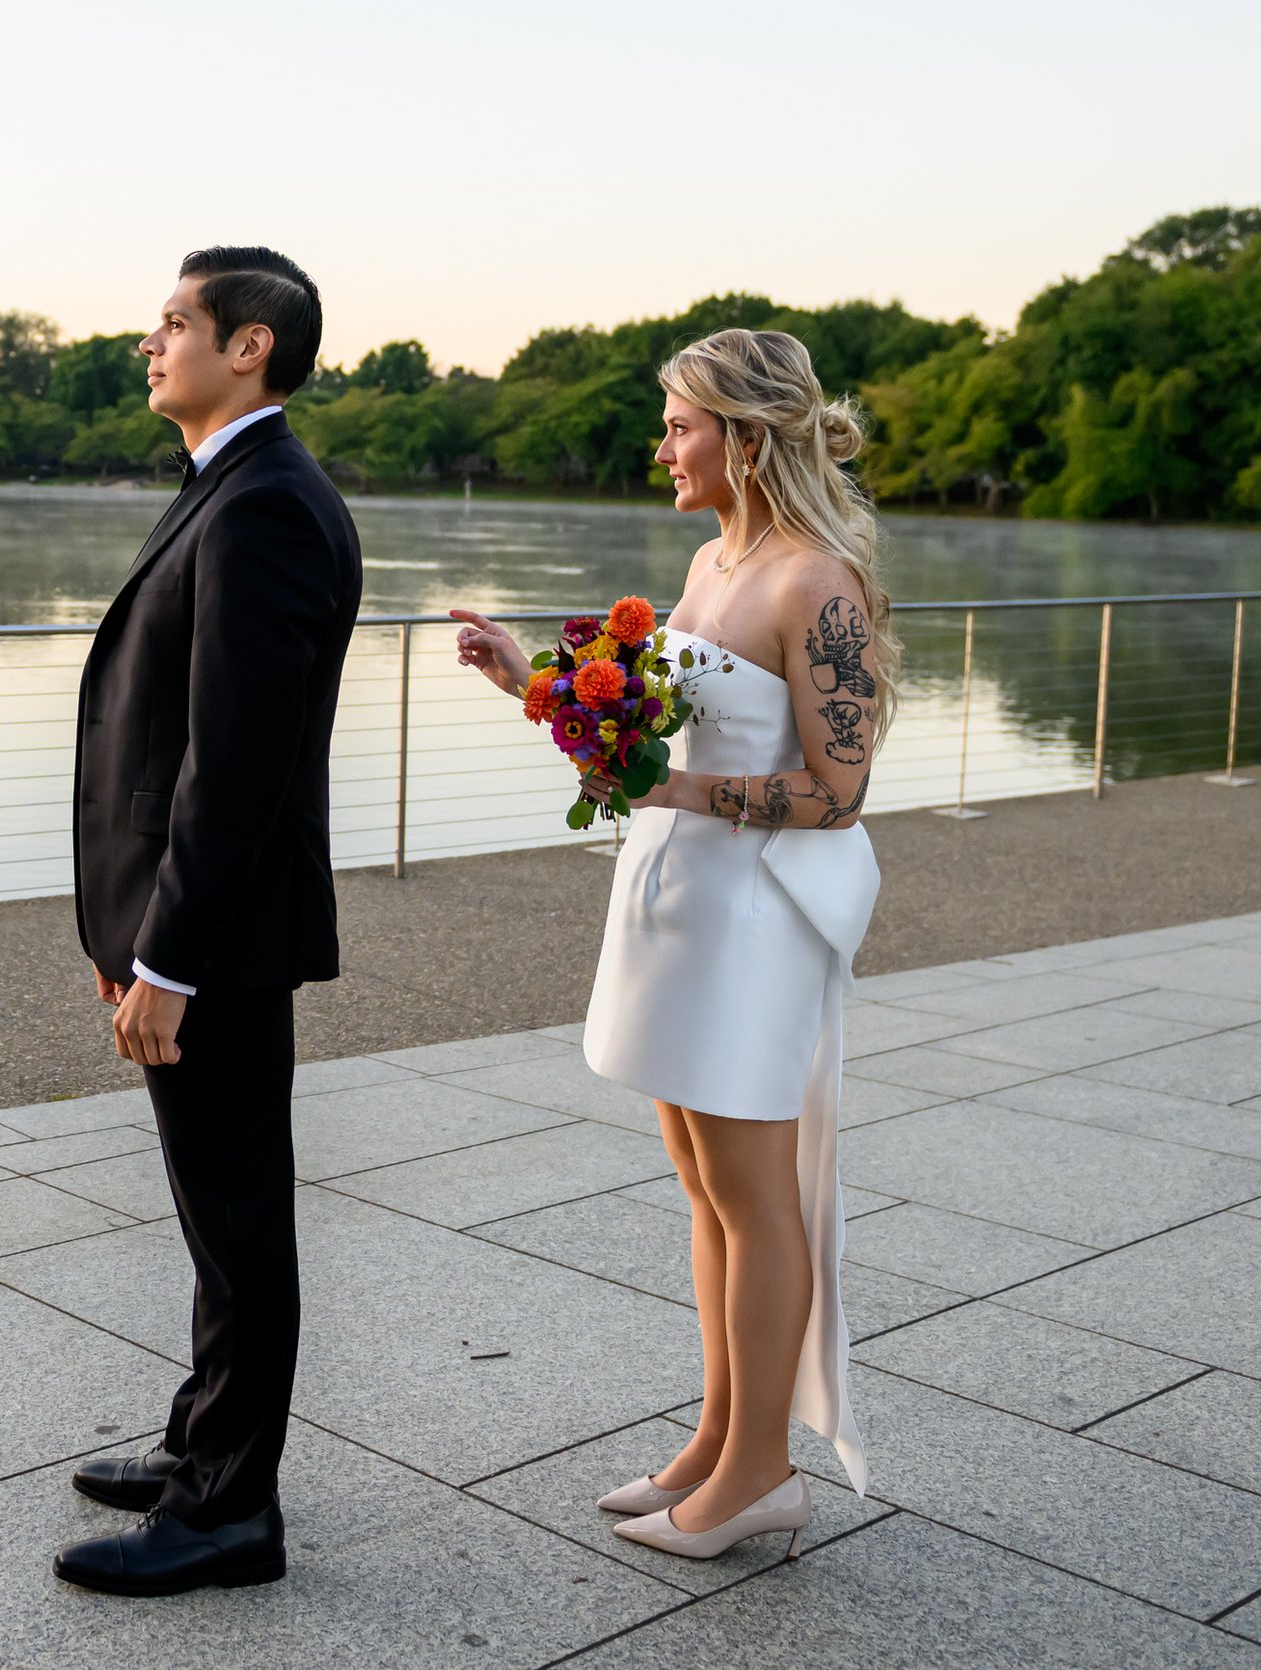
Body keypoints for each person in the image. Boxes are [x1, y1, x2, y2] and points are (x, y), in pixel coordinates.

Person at [450, 328, 897, 1559]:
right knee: (705, 1191)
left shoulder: (817, 583)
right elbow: (658, 732)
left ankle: (762, 1470)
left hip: (754, 920)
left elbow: (840, 790)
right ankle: (716, 1436)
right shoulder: (709, 561)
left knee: (755, 1199)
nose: (661, 449)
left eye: (680, 426)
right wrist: (525, 680)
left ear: (744, 439)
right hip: (677, 906)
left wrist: (686, 800)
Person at [58, 246, 362, 1597]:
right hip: (188, 922)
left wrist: (168, 959)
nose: (150, 342)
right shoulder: (229, 486)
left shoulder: (267, 507)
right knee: (213, 1211)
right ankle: (202, 1444)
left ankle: (233, 1509)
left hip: (218, 935)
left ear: (250, 346)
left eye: (174, 322)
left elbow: (235, 763)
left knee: (239, 1221)